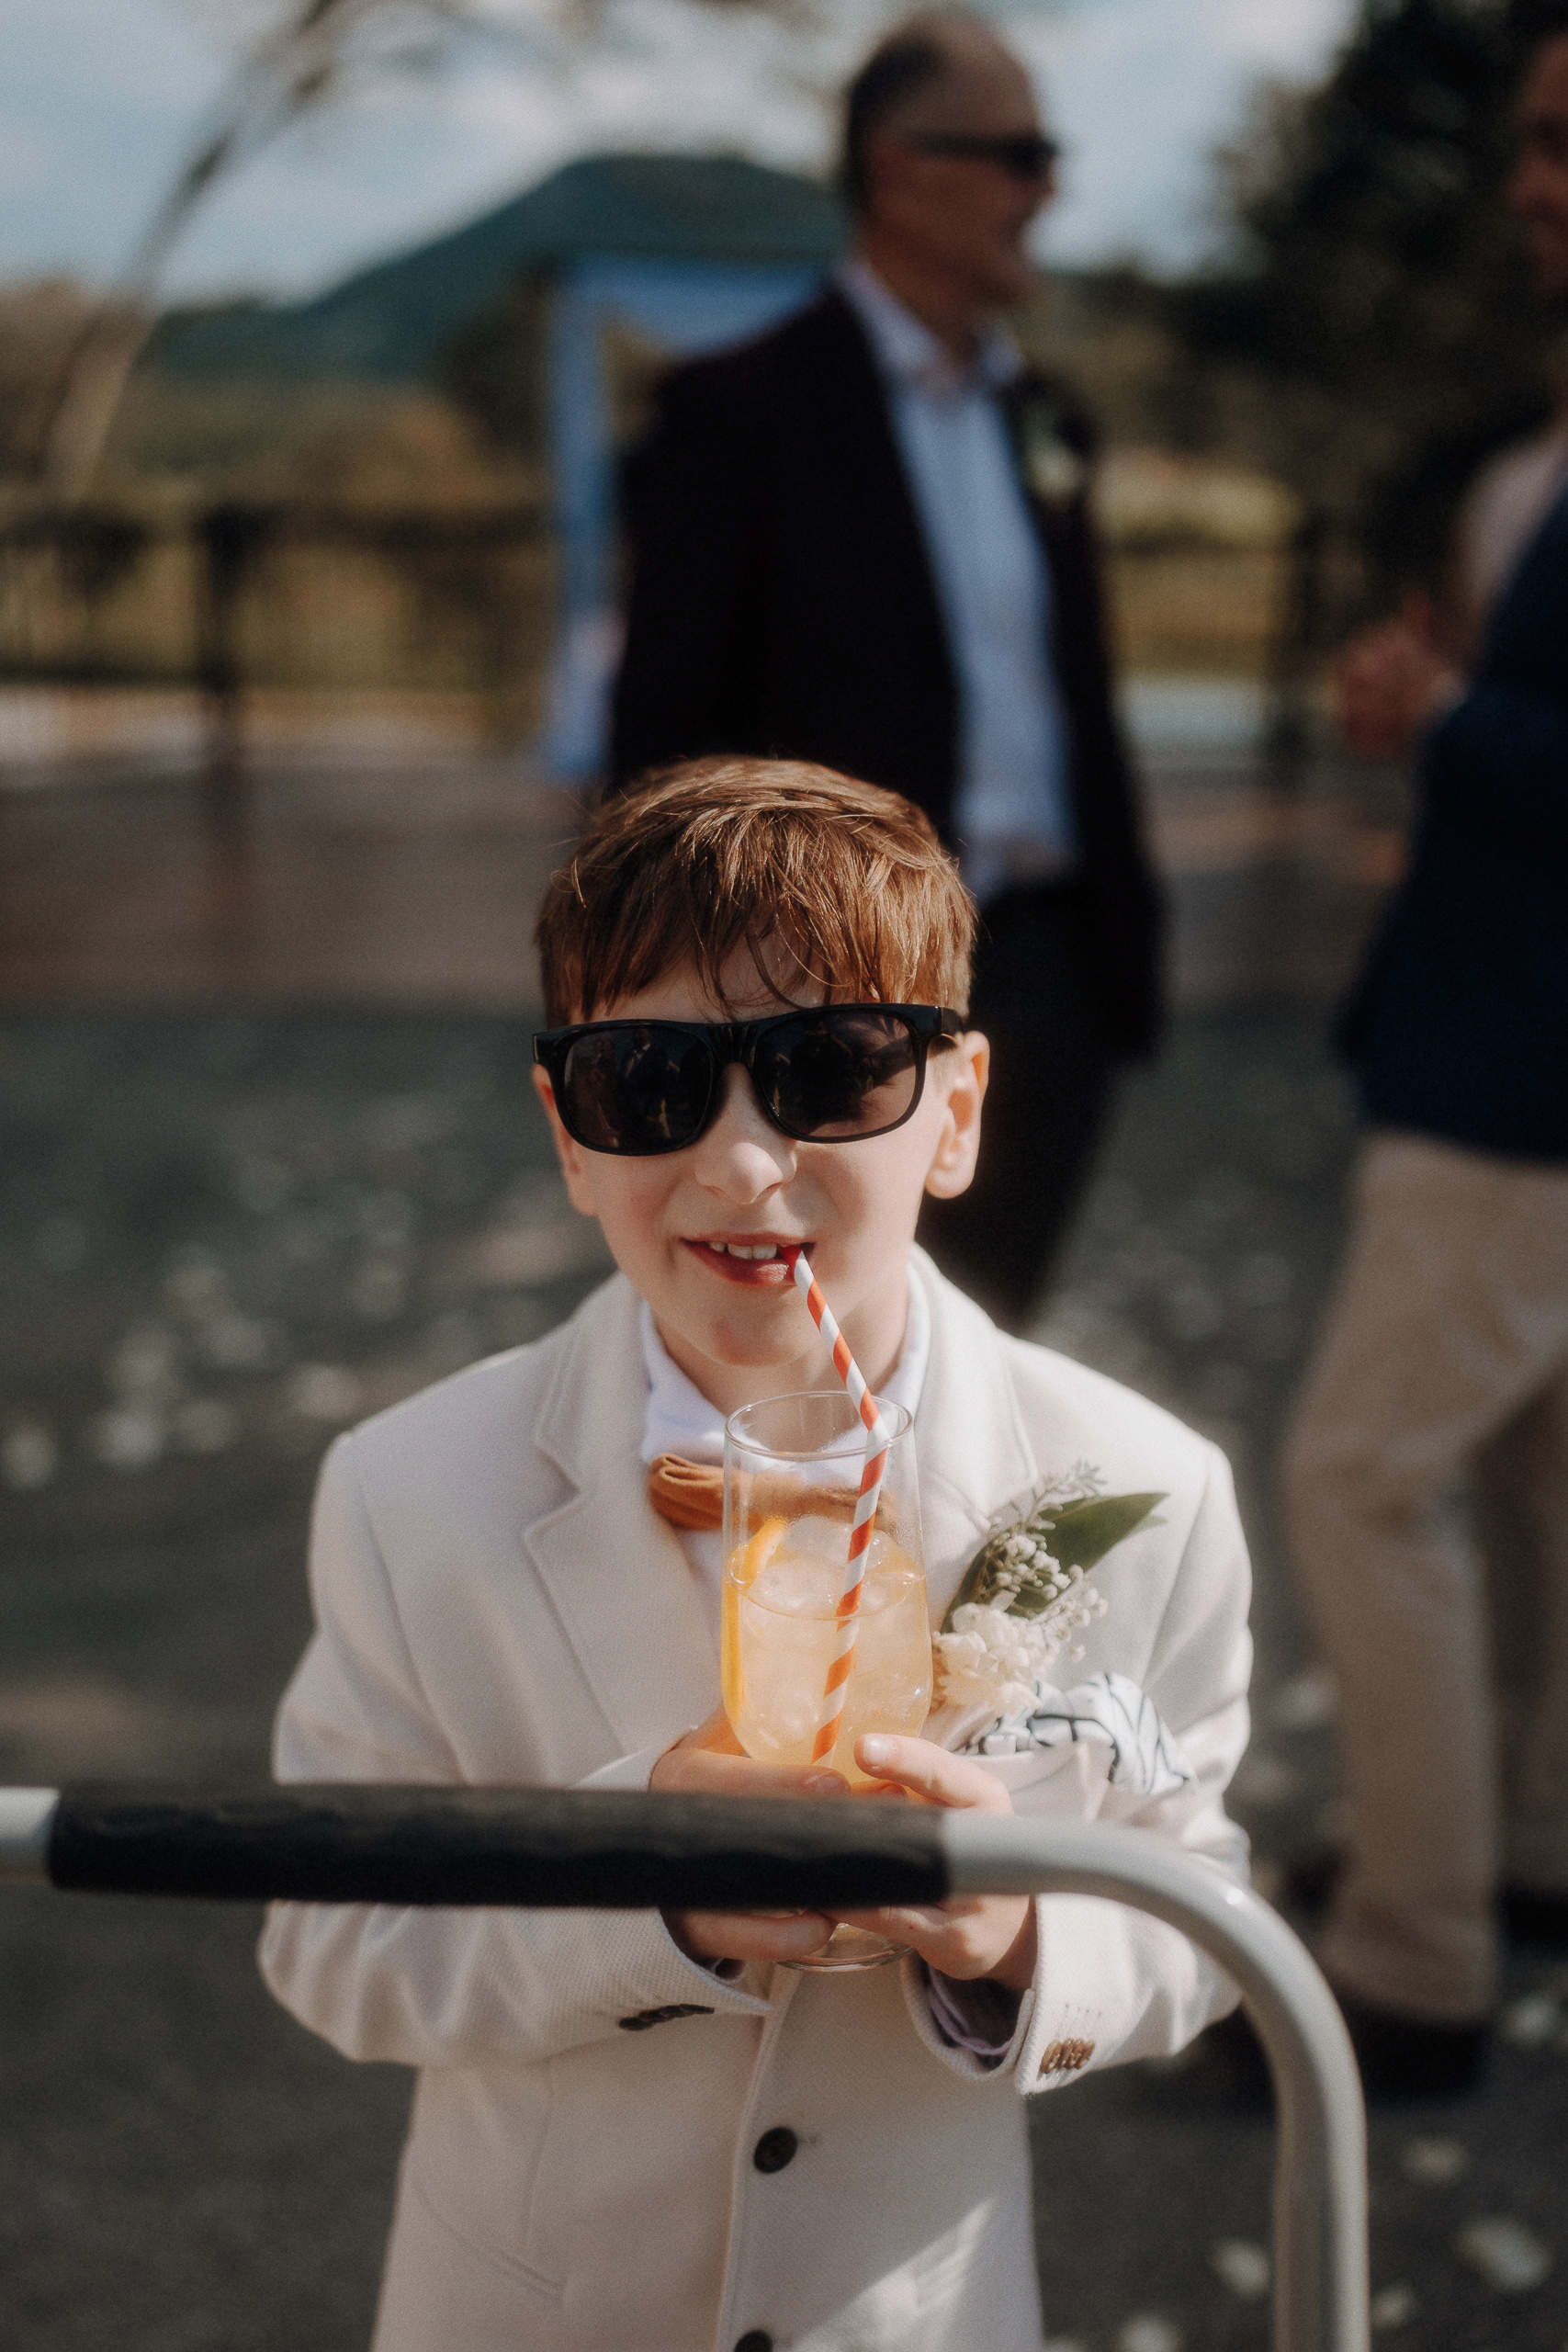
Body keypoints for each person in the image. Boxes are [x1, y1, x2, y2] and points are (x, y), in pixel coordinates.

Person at [259, 760, 1251, 2351]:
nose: (736, 1160)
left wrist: (1012, 1936)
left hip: (914, 2312)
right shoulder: (408, 1493)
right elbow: (329, 1935)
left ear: (960, 1112)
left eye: (833, 1068)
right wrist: (640, 1881)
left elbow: (1196, 1908)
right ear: (570, 1137)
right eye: (648, 1083)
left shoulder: (1135, 1491)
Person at [610, 13, 1162, 1334]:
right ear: (901, 169)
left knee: (988, 1348)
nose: (1050, 188)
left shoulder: (1046, 419)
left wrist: (1112, 963)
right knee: (824, 1362)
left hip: (1045, 969)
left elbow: (1073, 694)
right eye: (1022, 154)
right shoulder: (738, 411)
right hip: (835, 987)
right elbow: (664, 742)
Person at [1282, 13, 1568, 2098]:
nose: (1523, 181)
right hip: (1488, 1024)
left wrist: (1439, 721)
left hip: (1520, 1070)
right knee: (1525, 1476)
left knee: (1355, 1474)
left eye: (1559, 141)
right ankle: (1515, 1850)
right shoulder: (1528, 441)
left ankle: (1405, 1958)